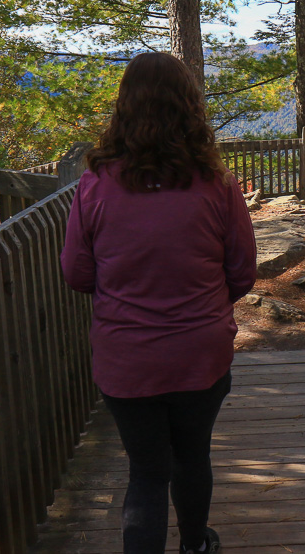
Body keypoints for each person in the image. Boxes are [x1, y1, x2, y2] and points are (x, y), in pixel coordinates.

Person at [60, 52, 257, 554]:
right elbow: (242, 273)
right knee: (192, 457)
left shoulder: (94, 187)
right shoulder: (218, 184)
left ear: (124, 108)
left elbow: (77, 274)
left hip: (127, 358)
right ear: (189, 107)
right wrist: (202, 303)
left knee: (146, 474)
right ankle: (195, 544)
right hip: (200, 351)